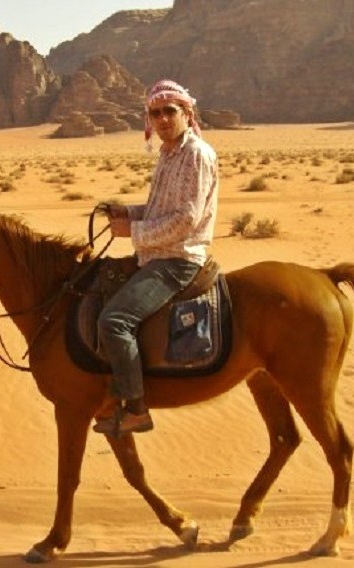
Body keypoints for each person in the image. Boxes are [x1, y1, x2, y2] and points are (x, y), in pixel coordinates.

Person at [93, 79, 219, 437]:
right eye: (155, 112)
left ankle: (135, 407)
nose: (162, 118)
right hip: (154, 254)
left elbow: (185, 220)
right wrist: (128, 212)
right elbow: (159, 209)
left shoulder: (196, 154)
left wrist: (131, 232)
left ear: (186, 113)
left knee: (114, 320)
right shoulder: (169, 153)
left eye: (169, 111)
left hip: (177, 259)